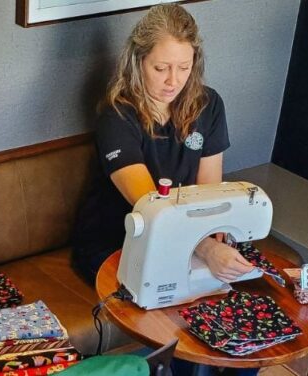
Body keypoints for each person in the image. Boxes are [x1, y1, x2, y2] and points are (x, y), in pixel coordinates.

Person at [71, 4, 258, 375]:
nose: (173, 80)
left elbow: (212, 194)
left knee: (243, 326)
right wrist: (205, 248)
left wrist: (218, 241)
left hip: (185, 236)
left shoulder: (208, 104)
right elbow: (149, 205)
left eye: (184, 68)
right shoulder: (117, 115)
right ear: (138, 61)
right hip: (116, 244)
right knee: (181, 314)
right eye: (161, 68)